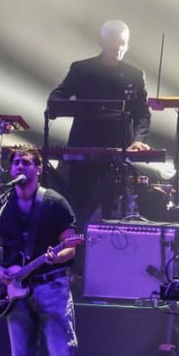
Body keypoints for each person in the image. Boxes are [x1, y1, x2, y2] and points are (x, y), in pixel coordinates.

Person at [0, 146, 83, 356]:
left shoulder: (55, 203)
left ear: (39, 168)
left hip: (51, 287)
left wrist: (55, 255)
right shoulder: (0, 205)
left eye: (26, 163)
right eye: (15, 163)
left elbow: (71, 247)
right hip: (15, 291)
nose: (19, 167)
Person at [47, 19, 153, 223]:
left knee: (114, 214)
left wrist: (138, 140)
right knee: (77, 207)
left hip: (119, 150)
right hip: (83, 148)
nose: (119, 50)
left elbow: (142, 112)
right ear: (102, 42)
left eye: (124, 45)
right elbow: (59, 95)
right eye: (115, 45)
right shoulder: (82, 69)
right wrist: (58, 105)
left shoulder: (134, 74)